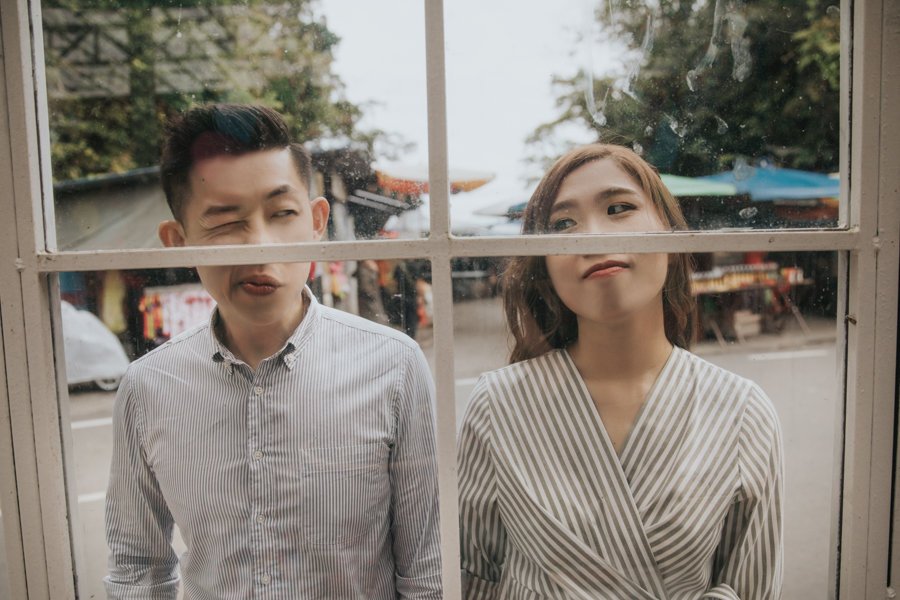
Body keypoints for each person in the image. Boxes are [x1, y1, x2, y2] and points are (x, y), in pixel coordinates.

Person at [104, 103, 442, 599]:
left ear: (317, 220)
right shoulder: (147, 388)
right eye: (225, 221)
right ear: (178, 242)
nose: (260, 246)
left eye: (282, 214)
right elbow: (137, 569)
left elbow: (427, 573)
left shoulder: (393, 366)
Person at [457, 143, 783, 599]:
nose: (593, 237)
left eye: (618, 208)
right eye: (563, 224)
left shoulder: (742, 411)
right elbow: (475, 577)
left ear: (669, 233)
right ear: (544, 264)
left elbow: (752, 586)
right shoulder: (497, 404)